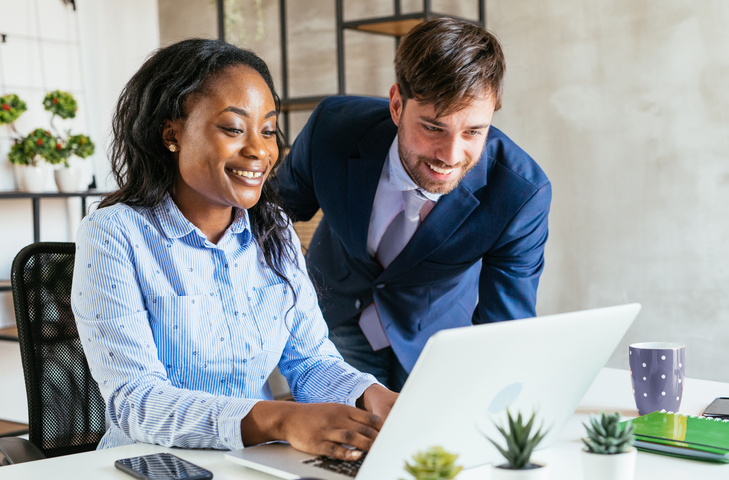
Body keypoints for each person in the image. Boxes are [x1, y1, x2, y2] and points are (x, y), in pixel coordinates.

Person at [71, 39, 396, 462]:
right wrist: (278, 420)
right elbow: (136, 400)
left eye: (267, 130)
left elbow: (311, 360)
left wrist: (373, 396)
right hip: (150, 464)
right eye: (232, 128)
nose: (260, 151)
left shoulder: (272, 229)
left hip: (252, 462)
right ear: (172, 133)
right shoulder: (114, 232)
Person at [276, 18, 552, 392]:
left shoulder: (520, 193)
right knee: (343, 443)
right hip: (334, 321)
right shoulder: (332, 129)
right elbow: (267, 215)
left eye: (473, 132)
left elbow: (504, 328)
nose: (451, 156)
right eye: (434, 128)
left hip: (435, 339)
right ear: (396, 105)